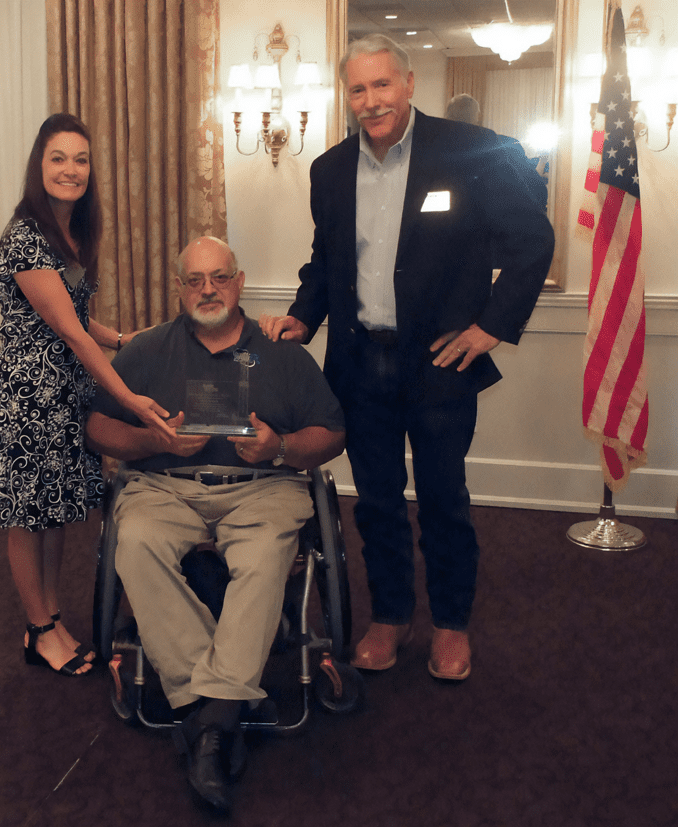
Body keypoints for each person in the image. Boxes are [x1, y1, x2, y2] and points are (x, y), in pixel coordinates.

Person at [260, 35, 555, 681]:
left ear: (409, 83)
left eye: (382, 86)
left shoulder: (472, 151)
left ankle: (451, 624)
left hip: (440, 367)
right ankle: (390, 616)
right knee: (377, 503)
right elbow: (326, 263)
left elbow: (534, 240)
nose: (372, 101)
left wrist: (491, 327)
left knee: (445, 500)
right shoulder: (329, 171)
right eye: (359, 90)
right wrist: (302, 317)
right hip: (360, 367)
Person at [85, 236, 345, 814]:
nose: (208, 289)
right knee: (137, 540)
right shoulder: (147, 350)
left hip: (263, 488)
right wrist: (153, 440)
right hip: (164, 486)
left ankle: (207, 719)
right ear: (179, 287)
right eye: (195, 279)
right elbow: (97, 428)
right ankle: (224, 706)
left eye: (219, 277)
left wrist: (280, 449)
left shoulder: (281, 352)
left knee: (263, 557)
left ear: (240, 281)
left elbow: (331, 434)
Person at [0, 113, 172, 678]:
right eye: (58, 158)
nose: (71, 169)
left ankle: (53, 615)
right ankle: (39, 631)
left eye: (81, 159)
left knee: (55, 510)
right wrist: (131, 399)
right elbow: (67, 330)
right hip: (28, 394)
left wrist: (123, 339)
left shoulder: (72, 231)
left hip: (64, 391)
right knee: (26, 515)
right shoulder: (25, 236)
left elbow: (82, 318)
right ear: (40, 167)